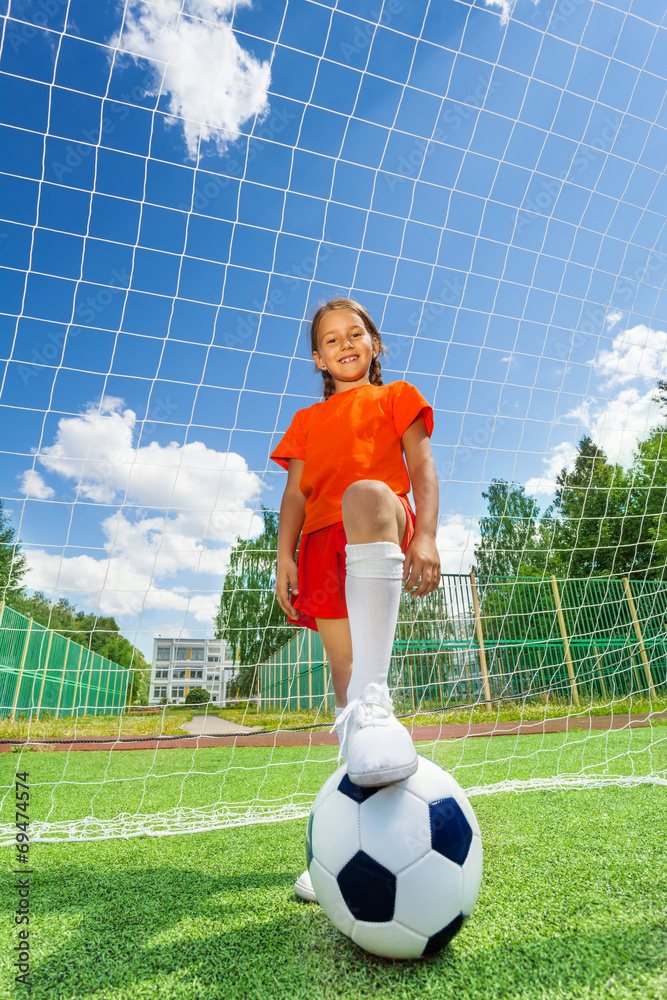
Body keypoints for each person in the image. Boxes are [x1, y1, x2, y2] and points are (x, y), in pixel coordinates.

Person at [270, 297, 440, 902]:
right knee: (344, 679)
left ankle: (379, 702)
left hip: (376, 522)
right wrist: (285, 555)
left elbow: (421, 464)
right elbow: (294, 495)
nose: (345, 344)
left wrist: (427, 535)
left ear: (374, 342)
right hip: (320, 542)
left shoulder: (397, 398)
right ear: (317, 356)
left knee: (367, 493)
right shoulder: (307, 421)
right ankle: (347, 844)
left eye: (355, 333)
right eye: (331, 339)